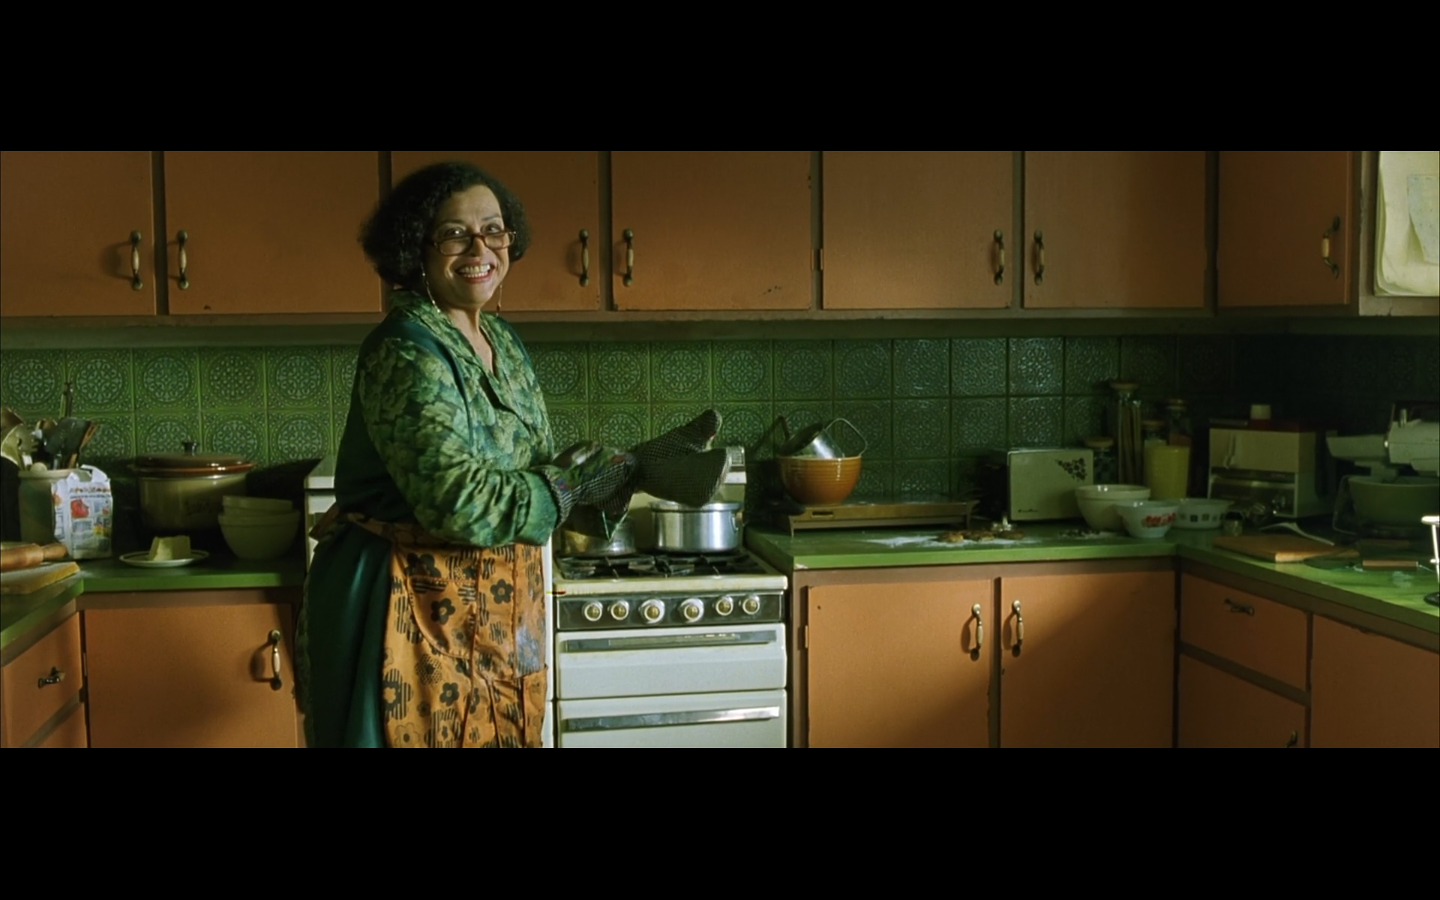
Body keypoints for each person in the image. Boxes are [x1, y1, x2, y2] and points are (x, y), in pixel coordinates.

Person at [297, 162, 643, 748]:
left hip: (496, 606)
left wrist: (602, 475)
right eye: (455, 234)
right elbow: (458, 503)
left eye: (494, 230)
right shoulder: (406, 348)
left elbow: (531, 464)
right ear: (416, 248)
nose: (480, 249)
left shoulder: (500, 339)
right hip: (403, 605)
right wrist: (566, 487)